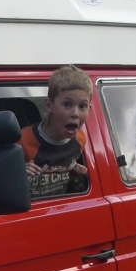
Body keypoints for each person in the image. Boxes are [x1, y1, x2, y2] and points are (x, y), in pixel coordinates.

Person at [19, 65, 93, 199]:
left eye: (82, 106)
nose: (75, 113)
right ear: (49, 106)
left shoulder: (80, 140)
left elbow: (58, 163)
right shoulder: (22, 141)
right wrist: (17, 171)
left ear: (89, 110)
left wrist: (72, 169)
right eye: (67, 104)